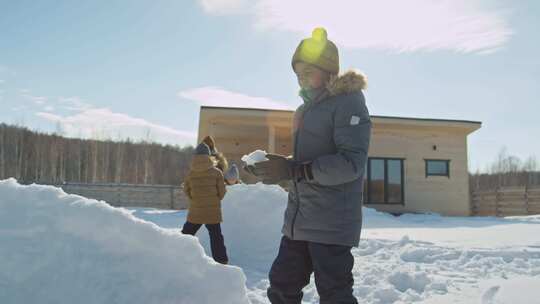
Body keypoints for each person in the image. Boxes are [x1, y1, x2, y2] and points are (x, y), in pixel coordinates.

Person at [246, 27, 371, 303]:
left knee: (334, 293)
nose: (301, 77)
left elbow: (351, 164)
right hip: (298, 221)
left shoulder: (348, 103)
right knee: (281, 286)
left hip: (331, 223)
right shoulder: (304, 110)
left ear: (329, 72)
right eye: (297, 72)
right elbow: (303, 167)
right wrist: (277, 169)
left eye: (308, 70)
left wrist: (294, 170)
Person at [182, 142, 229, 264]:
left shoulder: (191, 173)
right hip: (212, 211)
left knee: (186, 234)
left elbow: (186, 190)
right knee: (216, 236)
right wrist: (214, 199)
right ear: (209, 156)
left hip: (196, 210)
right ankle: (221, 261)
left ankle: (178, 255)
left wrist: (195, 199)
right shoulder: (217, 172)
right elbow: (222, 192)